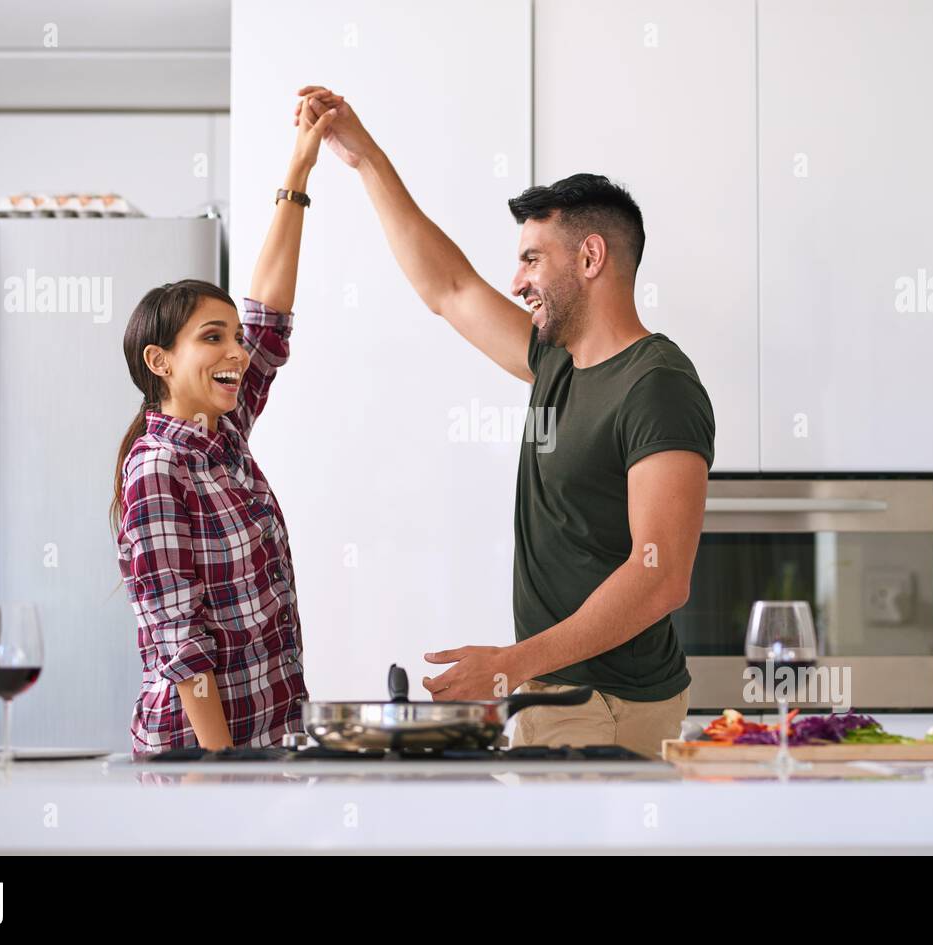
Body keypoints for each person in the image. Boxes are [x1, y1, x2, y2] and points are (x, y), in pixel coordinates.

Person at [297, 86, 715, 758]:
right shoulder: (556, 361)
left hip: (607, 707)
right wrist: (366, 158)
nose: (516, 279)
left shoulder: (656, 385)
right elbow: (450, 288)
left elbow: (660, 573)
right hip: (560, 697)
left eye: (531, 258)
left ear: (590, 259)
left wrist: (510, 663)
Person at [110, 94, 336, 754]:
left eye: (234, 337)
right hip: (203, 760)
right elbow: (183, 644)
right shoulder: (156, 467)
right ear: (161, 361)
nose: (238, 351)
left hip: (266, 745)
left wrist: (299, 170)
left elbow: (269, 314)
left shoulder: (224, 435)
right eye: (214, 337)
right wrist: (222, 771)